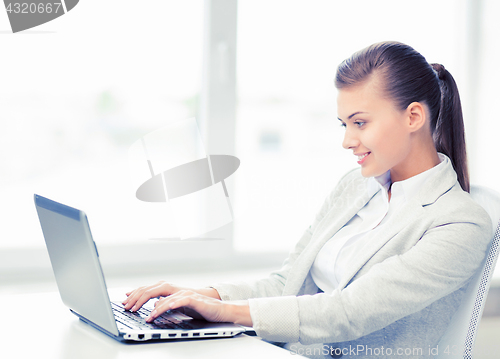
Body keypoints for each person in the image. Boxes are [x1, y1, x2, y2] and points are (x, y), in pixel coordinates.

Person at [122, 41, 492, 358]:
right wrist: (201, 296)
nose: (347, 140)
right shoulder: (355, 186)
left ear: (413, 116)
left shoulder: (460, 222)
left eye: (360, 123)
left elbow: (352, 311)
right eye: (343, 124)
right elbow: (288, 283)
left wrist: (227, 312)